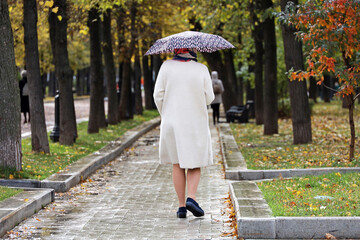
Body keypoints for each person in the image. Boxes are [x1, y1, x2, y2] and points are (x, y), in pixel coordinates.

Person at [153, 48, 215, 218]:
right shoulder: (201, 69)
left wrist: (165, 112)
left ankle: (181, 207)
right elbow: (210, 97)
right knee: (195, 162)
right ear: (193, 50)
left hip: (172, 121)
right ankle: (191, 198)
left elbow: (158, 95)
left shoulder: (166, 66)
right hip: (195, 120)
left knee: (177, 162)